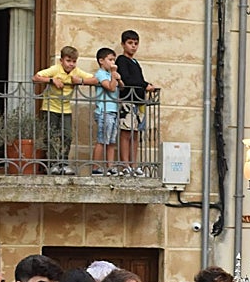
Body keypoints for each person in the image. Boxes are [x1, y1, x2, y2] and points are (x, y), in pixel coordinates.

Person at [32, 46, 101, 175]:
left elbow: (96, 79)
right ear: (61, 60)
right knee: (51, 136)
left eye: (74, 61)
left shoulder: (76, 71)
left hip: (66, 109)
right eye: (68, 61)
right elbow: (36, 77)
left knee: (67, 136)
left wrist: (80, 81)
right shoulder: (55, 69)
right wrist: (52, 80)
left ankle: (63, 163)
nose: (71, 64)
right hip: (50, 108)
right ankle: (51, 164)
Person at [116, 30, 157, 168]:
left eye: (136, 43)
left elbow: (138, 79)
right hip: (128, 100)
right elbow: (127, 79)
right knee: (126, 133)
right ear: (123, 44)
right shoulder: (121, 60)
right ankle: (125, 164)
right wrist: (145, 85)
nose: (133, 46)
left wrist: (147, 84)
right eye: (130, 43)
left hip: (139, 101)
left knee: (135, 134)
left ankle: (134, 164)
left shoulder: (135, 62)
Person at [92, 47, 121, 175]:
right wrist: (114, 77)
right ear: (101, 61)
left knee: (111, 141)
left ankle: (110, 167)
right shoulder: (100, 74)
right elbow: (111, 87)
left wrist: (117, 78)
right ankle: (95, 167)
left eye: (114, 60)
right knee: (102, 140)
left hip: (113, 110)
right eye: (110, 60)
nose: (113, 62)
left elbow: (122, 86)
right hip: (104, 110)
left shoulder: (110, 74)